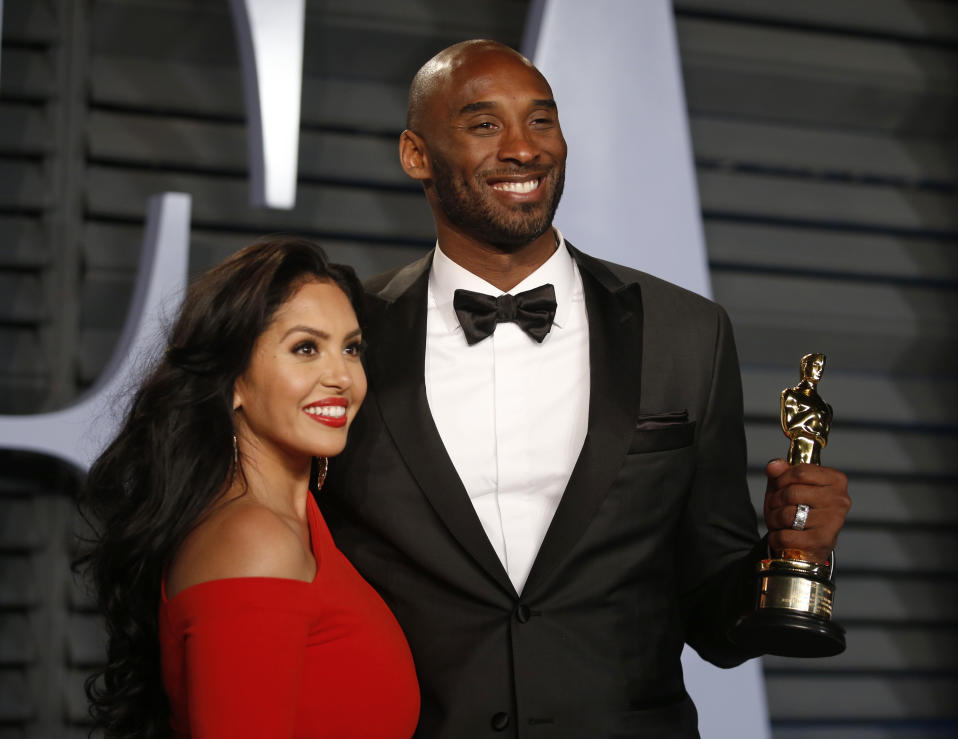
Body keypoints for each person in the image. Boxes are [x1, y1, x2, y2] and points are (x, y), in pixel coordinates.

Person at [321, 40, 850, 738]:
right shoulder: (345, 334)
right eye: (484, 125)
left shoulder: (687, 332)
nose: (524, 149)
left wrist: (794, 552)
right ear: (416, 154)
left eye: (542, 121)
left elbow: (713, 616)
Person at [77, 237, 419, 738]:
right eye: (306, 348)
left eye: (351, 348)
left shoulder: (299, 525)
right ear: (233, 380)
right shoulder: (254, 541)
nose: (342, 376)